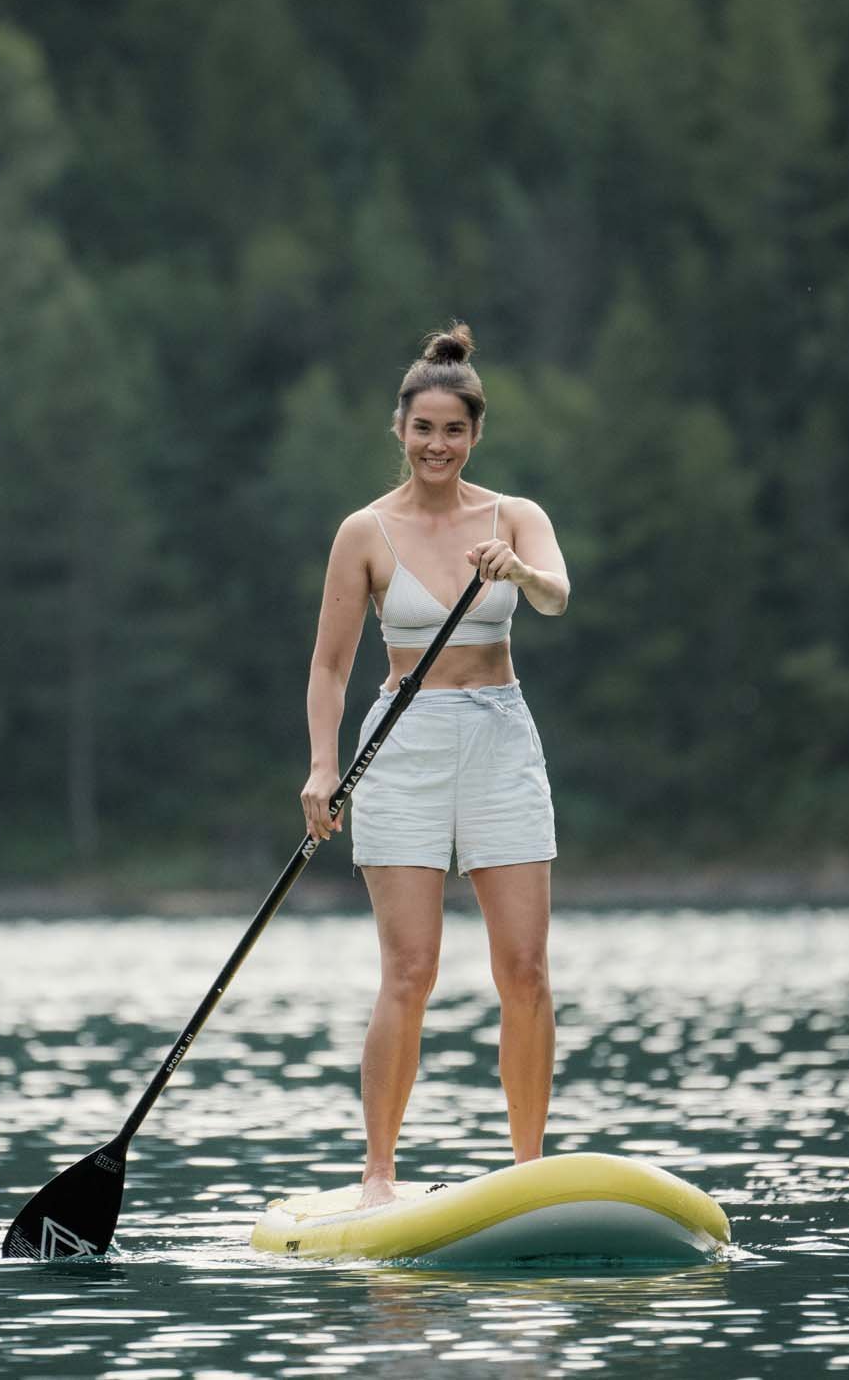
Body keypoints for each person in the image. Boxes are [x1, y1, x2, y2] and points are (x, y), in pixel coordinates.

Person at [298, 323, 573, 1207]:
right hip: (401, 749)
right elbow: (330, 666)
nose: (438, 445)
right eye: (424, 428)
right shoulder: (364, 531)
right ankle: (378, 1175)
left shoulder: (514, 517)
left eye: (455, 430)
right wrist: (321, 768)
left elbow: (557, 594)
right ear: (400, 428)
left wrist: (517, 569)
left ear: (476, 434)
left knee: (524, 970)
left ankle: (528, 1171)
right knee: (409, 971)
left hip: (500, 738)